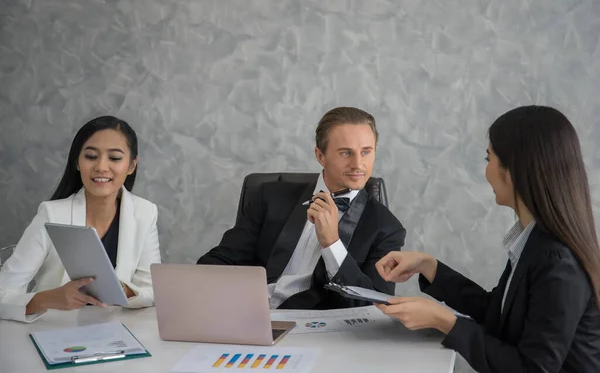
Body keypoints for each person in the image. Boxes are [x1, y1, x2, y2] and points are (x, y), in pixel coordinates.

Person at [376, 105, 600, 372]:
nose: (487, 171)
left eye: (488, 159)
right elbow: (498, 313)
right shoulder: (534, 241)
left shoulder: (557, 260)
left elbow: (532, 368)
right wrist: (428, 265)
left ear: (515, 169)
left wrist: (445, 321)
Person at [198, 107, 406, 309]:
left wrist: (331, 243)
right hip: (253, 314)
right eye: (345, 153)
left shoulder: (387, 228)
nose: (358, 164)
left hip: (321, 334)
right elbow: (223, 260)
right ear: (320, 156)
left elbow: (375, 306)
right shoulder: (270, 197)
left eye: (366, 152)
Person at [0, 116, 161, 322]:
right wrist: (47, 298)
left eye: (115, 158)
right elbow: (3, 293)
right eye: (91, 156)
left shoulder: (145, 212)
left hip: (118, 334)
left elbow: (152, 290)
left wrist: (122, 290)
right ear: (77, 162)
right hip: (54, 333)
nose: (101, 167)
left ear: (131, 165)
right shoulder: (51, 214)